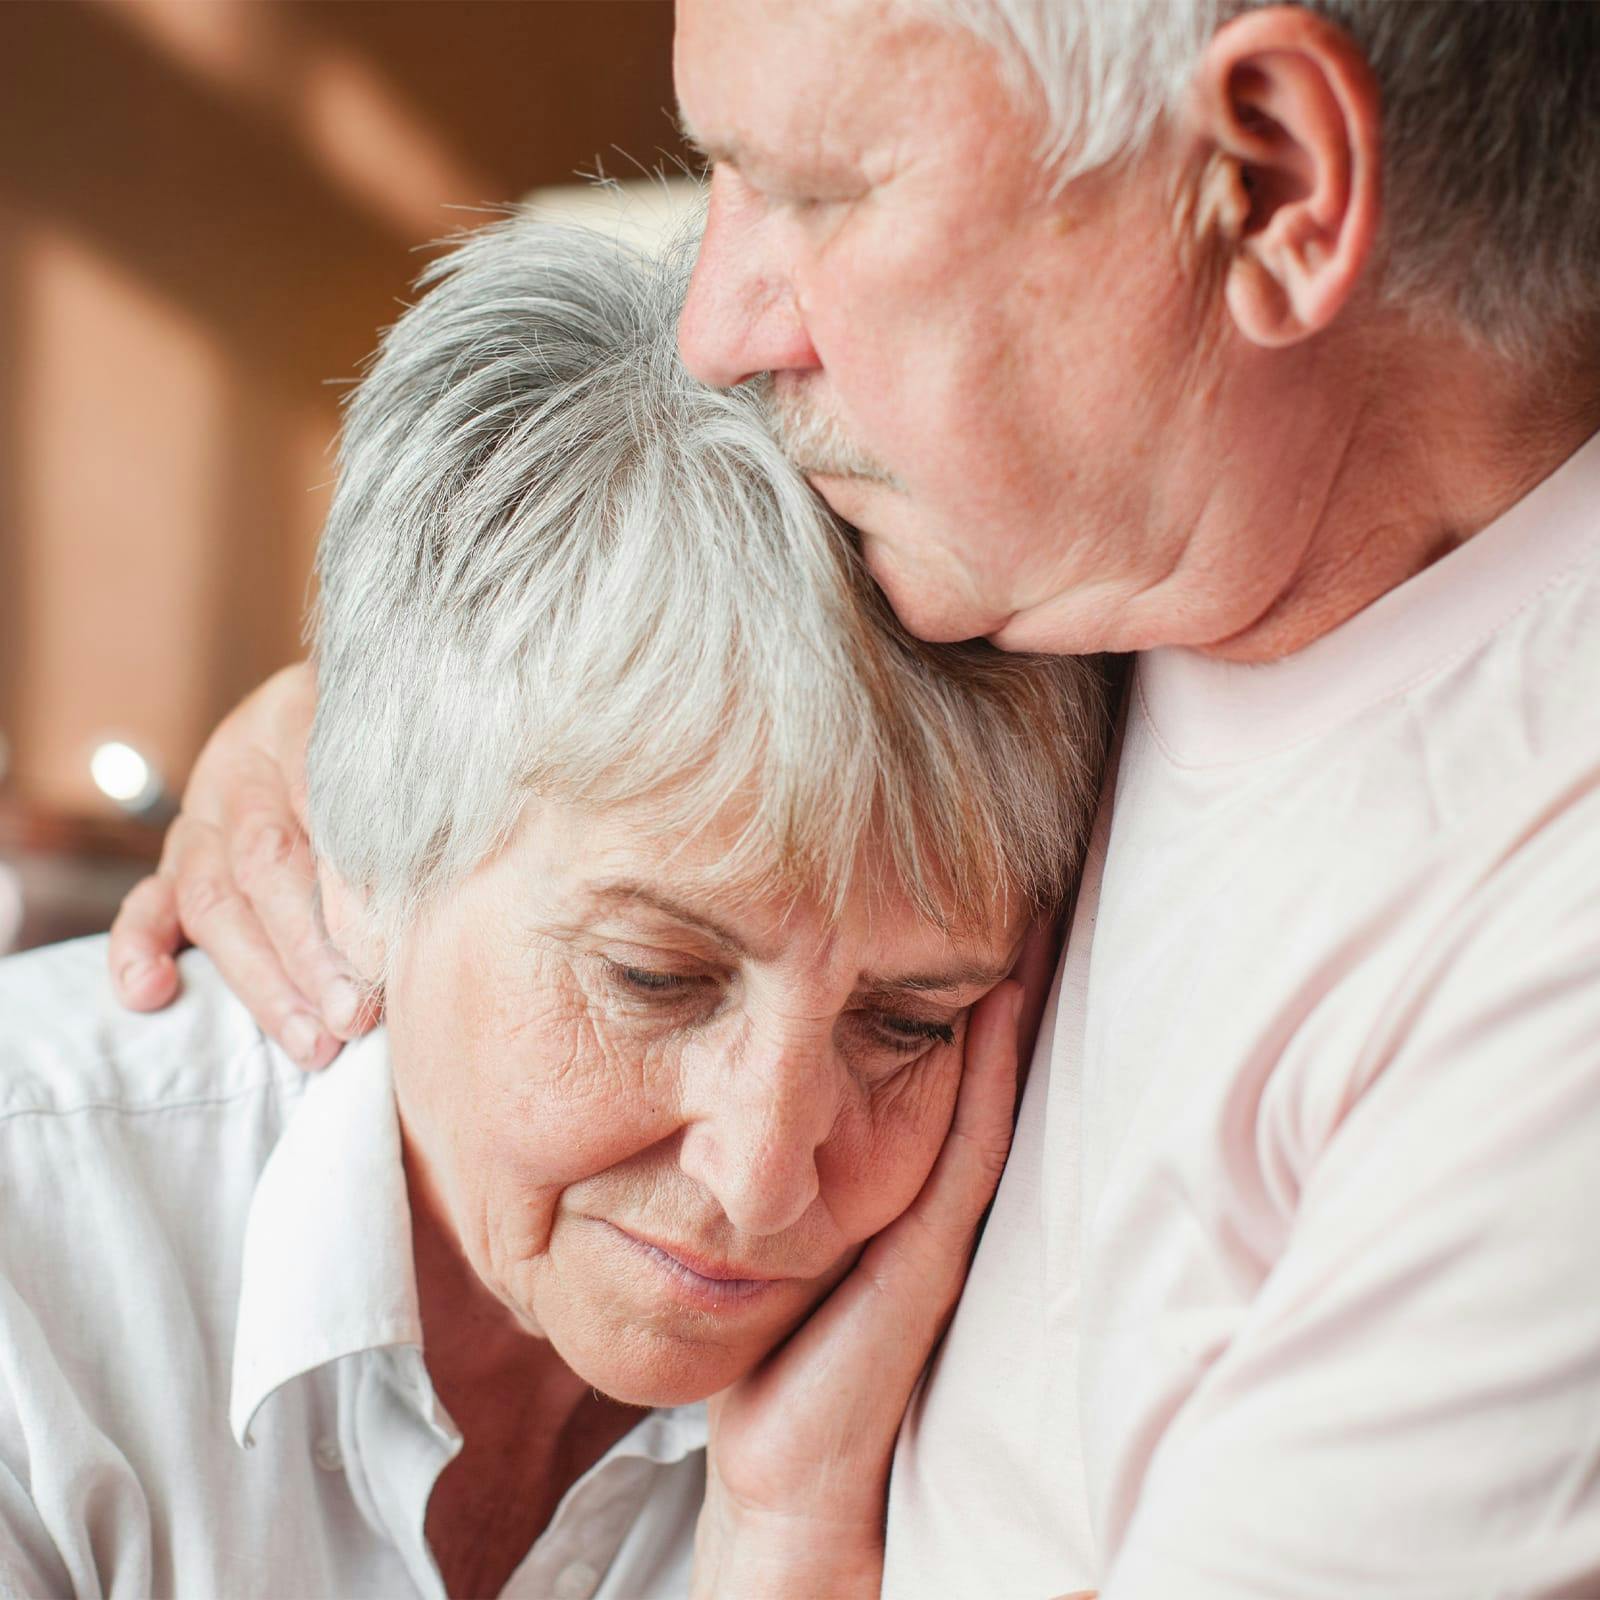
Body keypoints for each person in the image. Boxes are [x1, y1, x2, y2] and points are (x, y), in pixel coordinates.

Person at [110, 1, 1600, 1595]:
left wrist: (791, 1544)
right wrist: (365, 736)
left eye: (814, 193)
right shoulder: (1123, 526)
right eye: (719, 177)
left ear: (1273, 184)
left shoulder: (1533, 1023)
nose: (719, 319)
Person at [0, 215, 1106, 1598]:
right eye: (655, 977)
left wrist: (793, 1547)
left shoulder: (1021, 1317)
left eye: (906, 1022)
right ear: (358, 859)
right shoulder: (31, 1267)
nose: (766, 1177)